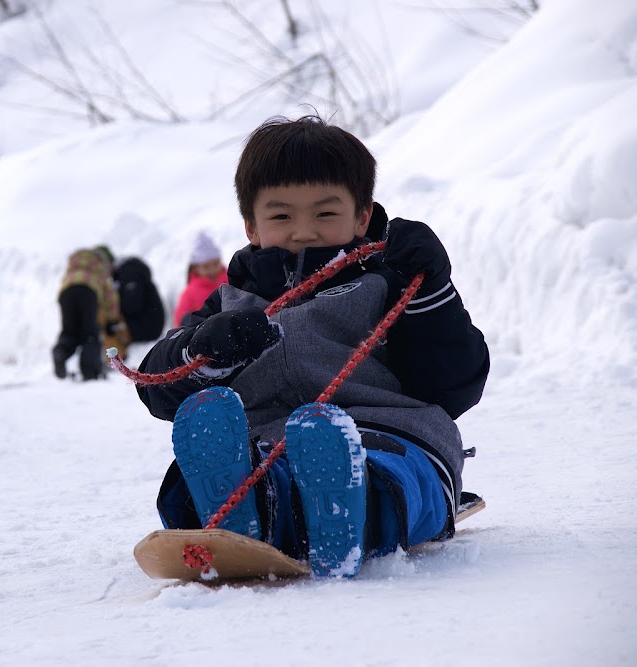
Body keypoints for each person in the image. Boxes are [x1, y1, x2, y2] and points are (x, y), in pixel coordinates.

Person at [134, 115, 489, 577]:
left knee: (391, 480)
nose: (304, 231)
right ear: (251, 227)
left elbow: (454, 384)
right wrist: (201, 350)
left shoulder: (391, 286)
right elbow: (157, 386)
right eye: (281, 216)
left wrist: (432, 291)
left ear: (362, 216)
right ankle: (247, 508)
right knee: (228, 475)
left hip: (392, 437)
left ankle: (348, 512)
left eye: (325, 213)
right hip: (265, 448)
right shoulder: (232, 305)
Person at [53, 245, 124, 381]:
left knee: (69, 332)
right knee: (90, 334)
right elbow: (110, 296)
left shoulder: (74, 264)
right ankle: (89, 371)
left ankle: (60, 353)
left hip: (66, 293)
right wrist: (112, 320)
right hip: (88, 292)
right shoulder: (99, 264)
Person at [173, 231, 228, 327]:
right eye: (206, 266)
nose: (212, 270)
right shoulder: (190, 293)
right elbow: (180, 321)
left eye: (215, 263)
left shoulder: (230, 278)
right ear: (195, 268)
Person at [114, 256, 165, 343]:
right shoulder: (131, 273)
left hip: (148, 327)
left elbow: (132, 306)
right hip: (148, 324)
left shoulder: (130, 275)